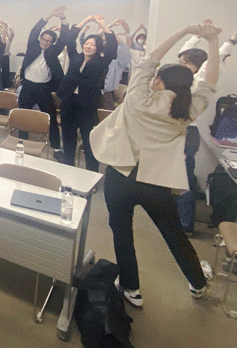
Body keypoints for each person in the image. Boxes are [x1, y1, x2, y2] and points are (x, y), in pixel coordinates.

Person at [90, 21, 221, 307]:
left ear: (158, 81)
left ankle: (131, 289)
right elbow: (210, 82)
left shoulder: (138, 98)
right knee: (174, 234)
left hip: (121, 176)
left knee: (122, 231)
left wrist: (183, 31)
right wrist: (212, 42)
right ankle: (198, 283)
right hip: (157, 183)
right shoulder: (187, 110)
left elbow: (150, 58)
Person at [175, 17, 237, 234]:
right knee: (176, 177)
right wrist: (196, 35)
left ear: (198, 66)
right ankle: (177, 219)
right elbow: (183, 53)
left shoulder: (200, 80)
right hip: (179, 132)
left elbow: (219, 56)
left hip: (188, 133)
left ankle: (185, 224)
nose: (181, 65)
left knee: (183, 179)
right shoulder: (183, 79)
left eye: (186, 63)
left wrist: (236, 35)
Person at [56, 14, 118, 172]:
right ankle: (68, 170)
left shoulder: (102, 61)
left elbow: (112, 48)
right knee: (68, 139)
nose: (88, 46)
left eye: (93, 45)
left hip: (88, 106)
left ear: (98, 48)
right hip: (69, 102)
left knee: (89, 141)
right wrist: (86, 20)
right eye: (87, 43)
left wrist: (103, 24)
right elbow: (70, 39)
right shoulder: (75, 57)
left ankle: (91, 174)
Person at [18, 6, 69, 157]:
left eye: (49, 41)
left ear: (52, 43)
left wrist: (62, 18)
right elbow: (35, 30)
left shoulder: (53, 51)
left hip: (43, 89)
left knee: (51, 118)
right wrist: (50, 15)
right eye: (43, 40)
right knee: (23, 116)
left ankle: (56, 148)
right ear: (40, 39)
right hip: (27, 87)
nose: (45, 43)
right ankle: (21, 142)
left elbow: (64, 37)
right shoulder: (32, 45)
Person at [101, 19, 133, 110]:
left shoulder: (116, 52)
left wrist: (127, 32)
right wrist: (112, 24)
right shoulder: (98, 52)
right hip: (98, 85)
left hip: (108, 86)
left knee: (108, 106)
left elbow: (127, 47)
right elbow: (99, 35)